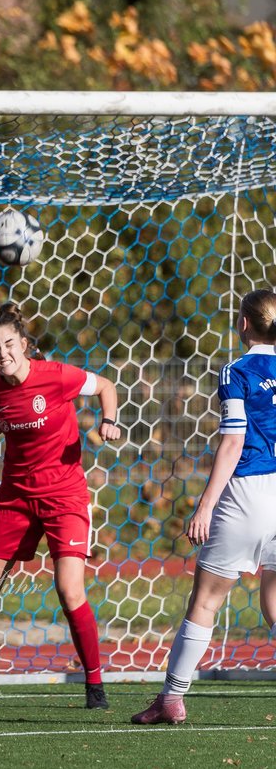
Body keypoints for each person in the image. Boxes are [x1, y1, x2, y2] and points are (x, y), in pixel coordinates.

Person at [0, 302, 121, 710]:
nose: (2, 354)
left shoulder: (57, 376)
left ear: (25, 344)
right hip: (14, 498)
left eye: (9, 344)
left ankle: (95, 685)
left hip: (64, 496)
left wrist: (108, 419)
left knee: (68, 590)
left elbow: (105, 385)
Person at [133, 289, 276, 725]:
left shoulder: (237, 370)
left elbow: (234, 440)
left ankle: (171, 699)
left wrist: (206, 506)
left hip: (248, 492)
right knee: (275, 597)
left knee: (207, 601)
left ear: (245, 324)